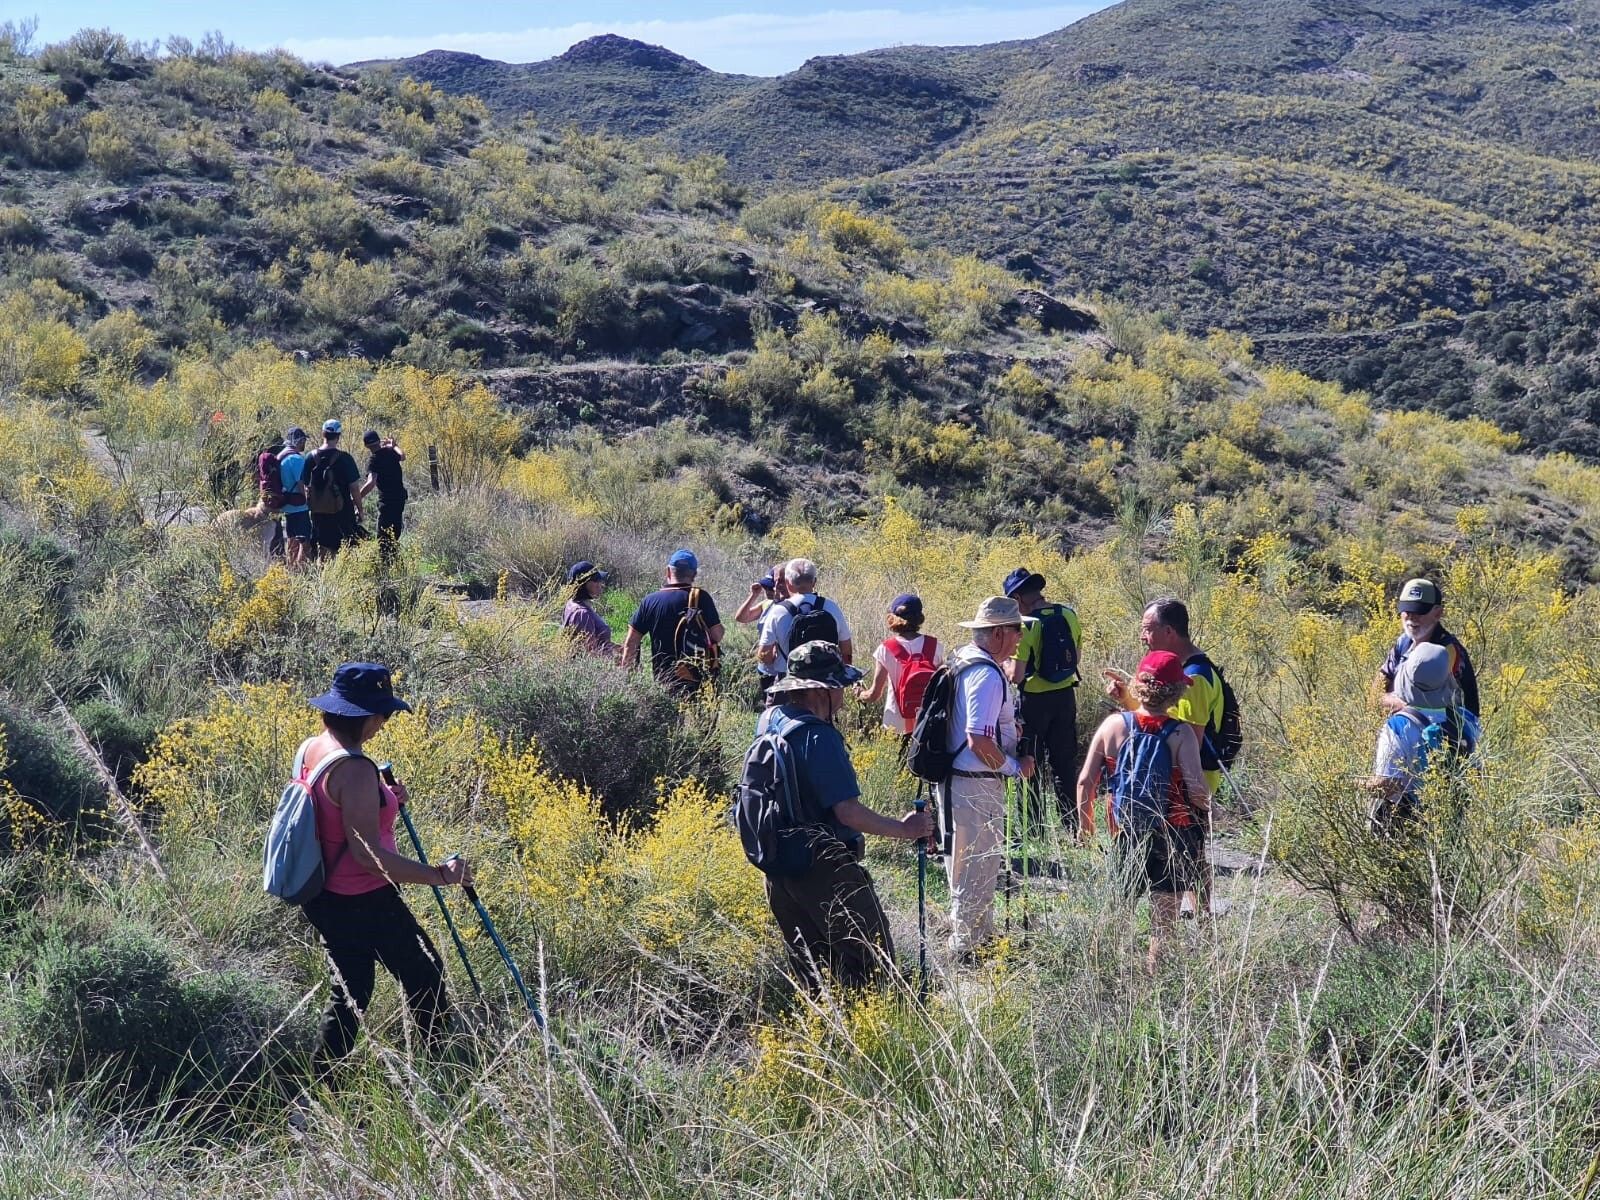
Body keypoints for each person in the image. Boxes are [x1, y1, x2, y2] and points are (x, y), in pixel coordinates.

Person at [296, 662, 472, 1071]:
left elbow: (332, 812)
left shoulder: (313, 747)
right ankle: (439, 1066)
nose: (384, 723)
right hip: (362, 894)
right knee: (425, 973)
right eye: (384, 714)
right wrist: (438, 876)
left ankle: (325, 1086)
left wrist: (385, 798)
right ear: (366, 715)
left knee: (351, 992)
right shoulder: (356, 769)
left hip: (323, 893)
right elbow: (366, 854)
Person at [756, 641, 933, 990]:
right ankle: (878, 1038)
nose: (842, 693)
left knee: (813, 969)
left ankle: (825, 1037)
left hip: (777, 863)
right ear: (822, 691)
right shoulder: (817, 736)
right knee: (872, 959)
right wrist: (905, 829)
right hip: (823, 867)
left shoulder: (769, 721)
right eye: (837, 685)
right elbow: (847, 812)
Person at [1078, 651, 1211, 973]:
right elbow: (1196, 791)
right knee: (1163, 924)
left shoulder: (1113, 725)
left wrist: (1086, 830)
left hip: (1126, 833)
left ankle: (1109, 980)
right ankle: (1154, 990)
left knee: (1117, 914)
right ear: (1177, 692)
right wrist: (1210, 809)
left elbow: (1085, 782)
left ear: (1139, 685)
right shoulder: (1181, 734)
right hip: (1173, 835)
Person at [1104, 598, 1225, 915]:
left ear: (1169, 631)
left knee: (1192, 858)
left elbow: (1188, 744)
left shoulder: (1194, 679)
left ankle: (1201, 921)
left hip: (1185, 791)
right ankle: (1196, 921)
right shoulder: (1182, 672)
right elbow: (1162, 729)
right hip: (1171, 788)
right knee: (1187, 861)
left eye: (1147, 630)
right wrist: (1132, 702)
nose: (1143, 637)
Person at [936, 596, 1034, 959]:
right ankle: (968, 948)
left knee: (967, 863)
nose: (1020, 637)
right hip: (975, 782)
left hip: (959, 779)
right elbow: (978, 738)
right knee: (976, 865)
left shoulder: (963, 660)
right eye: (1015, 629)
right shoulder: (988, 675)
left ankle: (975, 936)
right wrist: (1013, 766)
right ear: (996, 633)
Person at [1366, 641, 1482, 830]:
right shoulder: (1466, 718)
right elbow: (1477, 772)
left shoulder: (1398, 725)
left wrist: (1350, 784)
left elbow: (1388, 784)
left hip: (1409, 824)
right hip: (1452, 820)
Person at [1002, 567, 1083, 836]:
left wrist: (1002, 664)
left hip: (1033, 702)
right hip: (1065, 698)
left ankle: (1033, 830)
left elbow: (1016, 675)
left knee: (1029, 763)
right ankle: (1072, 826)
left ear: (1017, 597)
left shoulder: (1026, 624)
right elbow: (1075, 659)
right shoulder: (1068, 615)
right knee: (1064, 763)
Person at [1375, 578, 1480, 718]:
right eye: (1407, 611)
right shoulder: (1403, 643)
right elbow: (1374, 697)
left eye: (1419, 611)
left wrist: (1395, 703)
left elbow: (1427, 707)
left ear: (1438, 613)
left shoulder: (1447, 652)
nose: (1411, 618)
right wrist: (1402, 705)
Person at [622, 548, 724, 691]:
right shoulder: (701, 597)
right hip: (698, 679)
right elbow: (717, 635)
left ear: (668, 571)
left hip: (663, 680)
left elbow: (631, 642)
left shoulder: (649, 601)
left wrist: (626, 678)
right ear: (694, 575)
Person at [757, 559, 853, 707]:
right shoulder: (831, 607)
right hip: (825, 683)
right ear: (814, 582)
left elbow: (764, 654)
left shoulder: (778, 611)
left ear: (788, 583)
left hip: (788, 683)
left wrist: (775, 660)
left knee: (781, 726)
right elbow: (846, 650)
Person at [854, 593, 943, 740]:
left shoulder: (886, 649)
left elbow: (874, 695)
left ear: (893, 617)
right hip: (927, 723)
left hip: (895, 727)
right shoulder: (935, 647)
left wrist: (859, 694)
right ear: (919, 617)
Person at [306, 419, 364, 559]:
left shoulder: (310, 457)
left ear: (323, 434)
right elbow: (354, 488)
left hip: (318, 513)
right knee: (346, 549)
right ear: (338, 436)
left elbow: (305, 487)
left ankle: (325, 578)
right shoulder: (345, 459)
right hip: (342, 512)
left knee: (323, 549)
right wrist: (360, 510)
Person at [356, 429, 408, 553]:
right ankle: (394, 561)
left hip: (386, 502)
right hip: (399, 499)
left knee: (383, 538)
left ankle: (386, 563)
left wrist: (356, 498)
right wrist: (394, 446)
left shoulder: (374, 460)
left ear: (366, 446)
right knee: (394, 533)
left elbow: (371, 482)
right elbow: (403, 456)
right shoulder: (391, 452)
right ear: (379, 441)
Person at [562, 560, 615, 658]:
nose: (600, 584)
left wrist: (619, 648)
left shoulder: (571, 603)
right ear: (583, 584)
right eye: (595, 580)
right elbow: (591, 653)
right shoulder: (583, 614)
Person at [277, 427, 312, 569]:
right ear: (298, 441)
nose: (304, 443)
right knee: (305, 542)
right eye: (303, 440)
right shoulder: (296, 459)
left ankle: (292, 569)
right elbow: (301, 483)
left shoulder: (281, 457)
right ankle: (302, 571)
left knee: (291, 541)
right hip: (300, 507)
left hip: (287, 506)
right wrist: (307, 500)